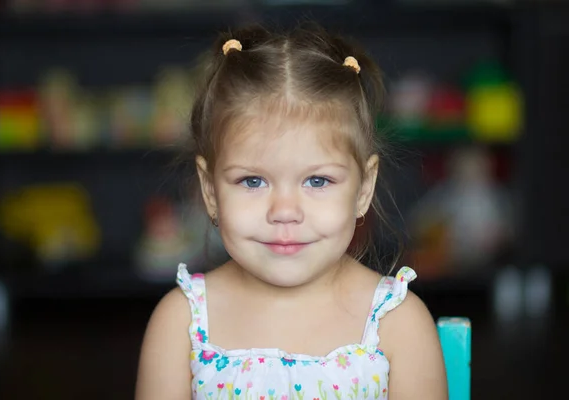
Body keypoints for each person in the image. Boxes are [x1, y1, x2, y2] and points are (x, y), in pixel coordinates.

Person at [136, 23, 447, 400]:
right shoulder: (182, 323)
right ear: (210, 191)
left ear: (363, 189)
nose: (285, 212)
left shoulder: (397, 324)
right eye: (253, 181)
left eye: (317, 181)